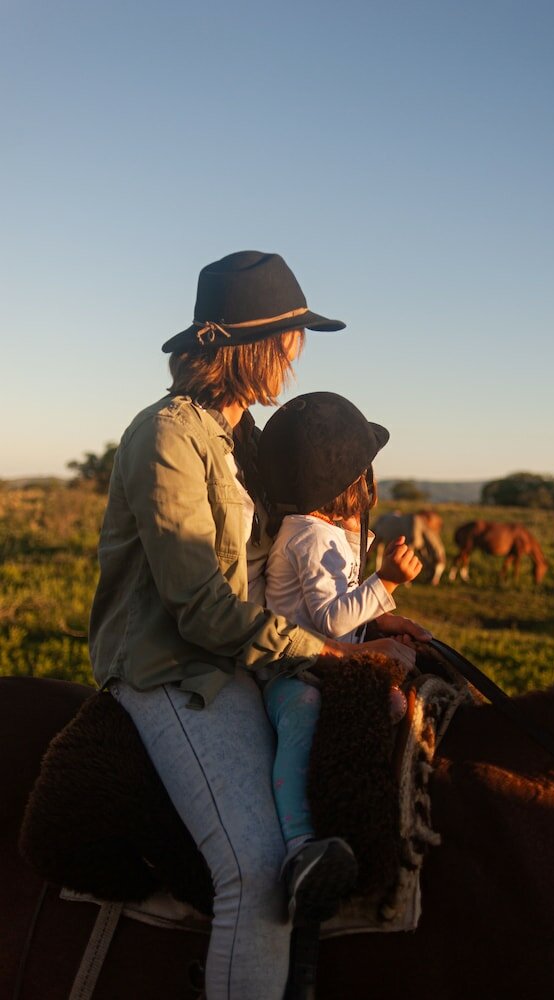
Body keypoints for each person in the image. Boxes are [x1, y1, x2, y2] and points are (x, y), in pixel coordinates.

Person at [88, 251, 428, 1000]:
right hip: (171, 669)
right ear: (247, 345)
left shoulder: (242, 439)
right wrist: (327, 650)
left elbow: (272, 575)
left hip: (241, 658)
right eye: (288, 341)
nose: (295, 358)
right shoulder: (165, 438)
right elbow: (199, 606)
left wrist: (369, 617)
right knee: (256, 873)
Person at [256, 391, 425, 923]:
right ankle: (299, 839)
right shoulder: (308, 536)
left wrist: (383, 614)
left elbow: (342, 613)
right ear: (352, 484)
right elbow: (330, 621)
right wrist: (388, 581)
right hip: (291, 666)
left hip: (324, 655)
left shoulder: (325, 532)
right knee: (302, 711)